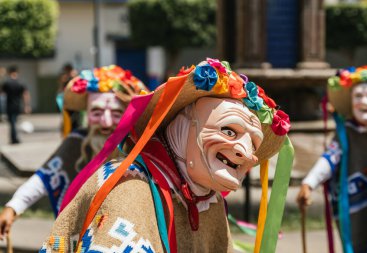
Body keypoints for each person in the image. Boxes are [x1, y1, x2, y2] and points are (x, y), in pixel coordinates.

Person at [40, 59, 294, 253]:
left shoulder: (210, 201)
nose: (245, 152)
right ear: (183, 127)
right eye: (229, 130)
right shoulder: (130, 187)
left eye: (253, 143)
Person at [0, 65, 147, 241]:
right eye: (97, 112)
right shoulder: (77, 142)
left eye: (116, 113)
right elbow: (44, 177)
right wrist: (14, 207)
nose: (106, 122)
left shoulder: (140, 146)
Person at [297, 66, 367, 253]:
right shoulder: (345, 134)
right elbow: (330, 158)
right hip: (355, 206)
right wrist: (308, 184)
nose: (365, 101)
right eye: (358, 96)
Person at [0, 65, 31, 144]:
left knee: (12, 122)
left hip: (9, 105)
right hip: (17, 105)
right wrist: (26, 106)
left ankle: (14, 138)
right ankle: (15, 138)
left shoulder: (6, 83)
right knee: (14, 122)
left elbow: (1, 93)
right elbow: (25, 94)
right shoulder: (20, 82)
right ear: (16, 72)